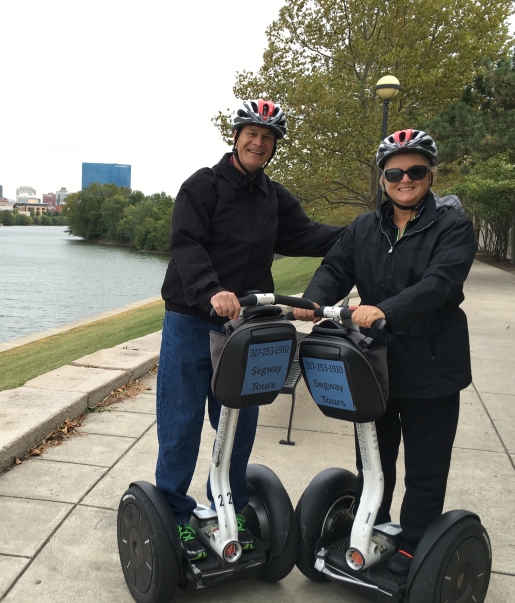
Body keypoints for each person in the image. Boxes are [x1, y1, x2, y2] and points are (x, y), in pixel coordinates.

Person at [157, 99, 345, 561]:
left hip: (247, 327)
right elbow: (187, 244)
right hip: (191, 321)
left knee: (237, 424)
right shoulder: (202, 187)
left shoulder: (273, 198)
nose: (258, 142)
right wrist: (211, 290)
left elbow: (308, 235)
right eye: (251, 133)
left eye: (268, 137)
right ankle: (176, 515)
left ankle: (229, 506)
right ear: (236, 136)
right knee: (181, 425)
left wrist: (361, 229)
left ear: (274, 146)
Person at [293, 129, 477, 575]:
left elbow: (439, 284)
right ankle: (370, 526)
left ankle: (414, 545)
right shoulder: (363, 227)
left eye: (415, 171)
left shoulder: (453, 225)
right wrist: (310, 303)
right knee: (374, 459)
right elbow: (335, 268)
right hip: (374, 363)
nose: (405, 179)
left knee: (426, 466)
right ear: (383, 180)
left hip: (433, 366)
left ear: (430, 176)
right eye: (396, 172)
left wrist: (383, 310)